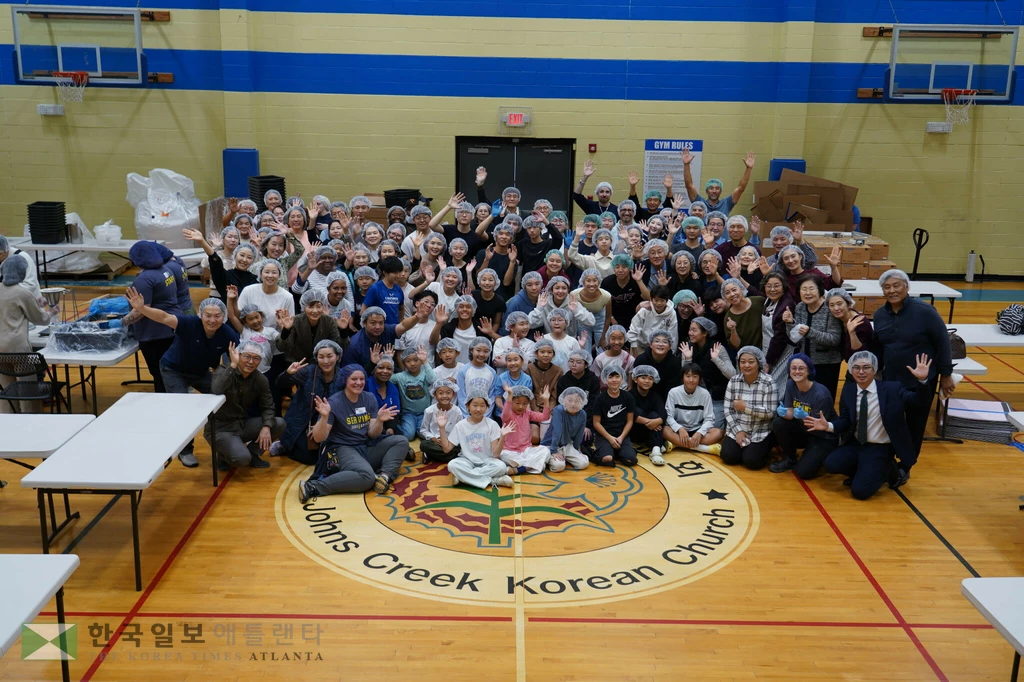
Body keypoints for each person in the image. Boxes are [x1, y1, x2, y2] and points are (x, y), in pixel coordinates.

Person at [125, 291, 239, 467]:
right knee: (183, 407)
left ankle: (224, 447)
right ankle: (185, 451)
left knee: (224, 399)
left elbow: (234, 358)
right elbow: (163, 317)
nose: (212, 320)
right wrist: (141, 308)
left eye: (217, 316)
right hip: (173, 369)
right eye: (208, 315)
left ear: (223, 317)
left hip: (200, 372)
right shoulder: (188, 323)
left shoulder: (228, 334)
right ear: (200, 315)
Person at [806, 351, 933, 499]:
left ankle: (888, 469)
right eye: (856, 367)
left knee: (860, 492)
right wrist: (828, 425)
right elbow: (846, 420)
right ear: (850, 370)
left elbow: (919, 403)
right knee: (831, 464)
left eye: (866, 367)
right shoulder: (848, 390)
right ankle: (864, 471)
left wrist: (922, 381)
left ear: (874, 370)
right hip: (856, 444)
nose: (861, 372)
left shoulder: (893, 389)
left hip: (880, 447)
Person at [871, 270, 954, 459]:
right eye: (887, 287)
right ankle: (889, 459)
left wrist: (946, 375)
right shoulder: (879, 315)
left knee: (916, 425)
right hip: (891, 380)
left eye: (896, 285)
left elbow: (943, 342)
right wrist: (876, 371)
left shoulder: (925, 311)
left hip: (921, 381)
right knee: (892, 421)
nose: (892, 290)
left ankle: (907, 463)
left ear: (906, 287)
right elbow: (878, 346)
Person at [298, 364, 407, 502]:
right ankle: (313, 487)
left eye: (362, 379)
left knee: (401, 441)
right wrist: (324, 417)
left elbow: (373, 434)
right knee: (367, 477)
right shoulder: (334, 402)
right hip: (342, 448)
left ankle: (384, 477)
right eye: (354, 379)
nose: (359, 383)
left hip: (364, 445)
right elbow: (320, 438)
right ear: (345, 380)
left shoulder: (369, 398)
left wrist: (379, 420)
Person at [207, 341, 286, 471]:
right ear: (238, 355)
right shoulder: (224, 369)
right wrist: (232, 365)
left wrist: (266, 427)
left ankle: (253, 453)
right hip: (220, 428)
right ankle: (222, 455)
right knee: (242, 459)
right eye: (247, 356)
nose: (251, 362)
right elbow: (216, 389)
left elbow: (268, 406)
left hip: (242, 424)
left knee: (279, 423)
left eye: (256, 358)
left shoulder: (260, 379)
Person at [125, 241, 185, 394]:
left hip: (155, 334)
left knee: (160, 375)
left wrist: (121, 323)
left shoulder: (144, 279)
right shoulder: (166, 270)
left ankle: (165, 409)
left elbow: (140, 311)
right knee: (172, 373)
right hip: (172, 326)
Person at [272, 339, 345, 464]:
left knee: (328, 455)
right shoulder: (308, 371)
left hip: (330, 422)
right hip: (303, 421)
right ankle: (285, 445)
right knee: (309, 458)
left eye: (330, 356)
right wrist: (288, 374)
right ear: (316, 358)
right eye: (321, 357)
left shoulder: (344, 375)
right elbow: (280, 384)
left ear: (337, 357)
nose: (326, 361)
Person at [438, 379, 517, 489]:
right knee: (452, 465)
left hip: (487, 461)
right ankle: (493, 480)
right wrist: (441, 428)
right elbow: (446, 449)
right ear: (468, 407)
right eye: (475, 405)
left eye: (482, 406)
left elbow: (495, 454)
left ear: (487, 407)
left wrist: (502, 437)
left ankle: (464, 477)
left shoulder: (492, 424)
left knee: (501, 466)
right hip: (466, 461)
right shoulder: (460, 426)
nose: (478, 409)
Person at [769, 354, 838, 477]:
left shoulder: (821, 394)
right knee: (778, 423)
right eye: (793, 368)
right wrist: (783, 412)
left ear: (809, 371)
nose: (796, 371)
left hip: (823, 435)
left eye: (801, 368)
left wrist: (804, 416)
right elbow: (790, 414)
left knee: (803, 472)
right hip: (805, 430)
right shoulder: (791, 384)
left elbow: (818, 426)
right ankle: (790, 458)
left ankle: (823, 454)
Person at [0, 257, 51, 412]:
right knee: (27, 390)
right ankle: (30, 419)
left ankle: (7, 422)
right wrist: (50, 312)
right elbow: (40, 319)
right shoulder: (22, 292)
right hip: (18, 349)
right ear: (21, 273)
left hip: (0, 350)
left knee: (7, 391)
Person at [784, 273, 843, 400]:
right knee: (804, 401)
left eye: (811, 289)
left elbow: (834, 339)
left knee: (823, 400)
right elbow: (795, 337)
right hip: (804, 364)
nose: (807, 293)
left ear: (820, 290)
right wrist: (790, 323)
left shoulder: (829, 308)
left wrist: (810, 332)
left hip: (826, 364)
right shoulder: (800, 307)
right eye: (803, 289)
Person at [721, 346, 778, 470]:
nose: (746, 365)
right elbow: (728, 410)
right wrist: (738, 431)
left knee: (752, 462)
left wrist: (746, 407)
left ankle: (767, 446)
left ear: (759, 363)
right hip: (739, 427)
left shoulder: (769, 382)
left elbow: (770, 413)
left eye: (751, 362)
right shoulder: (733, 381)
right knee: (728, 457)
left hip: (760, 430)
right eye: (743, 362)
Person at [679, 318, 734, 428]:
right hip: (696, 396)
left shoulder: (718, 348)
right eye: (690, 330)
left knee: (713, 428)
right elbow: (684, 376)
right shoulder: (688, 347)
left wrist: (716, 359)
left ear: (704, 333)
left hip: (717, 397)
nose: (690, 333)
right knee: (689, 425)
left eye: (694, 330)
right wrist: (688, 358)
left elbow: (732, 374)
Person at [664, 362, 723, 455]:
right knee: (665, 430)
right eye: (688, 376)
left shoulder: (705, 394)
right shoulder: (673, 392)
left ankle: (678, 444)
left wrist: (700, 433)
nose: (691, 380)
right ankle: (702, 448)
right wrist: (680, 429)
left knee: (718, 433)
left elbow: (709, 419)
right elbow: (669, 417)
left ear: (699, 379)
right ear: (682, 378)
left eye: (695, 376)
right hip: (679, 431)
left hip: (697, 430)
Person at [277, 288, 343, 365]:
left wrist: (343, 331)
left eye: (318, 306)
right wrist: (286, 330)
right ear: (304, 307)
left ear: (323, 307)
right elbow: (282, 347)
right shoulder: (295, 321)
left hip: (322, 364)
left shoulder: (329, 321)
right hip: (297, 364)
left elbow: (338, 347)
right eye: (311, 307)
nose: (315, 311)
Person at [680, 150, 755, 216]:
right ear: (707, 191)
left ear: (720, 191)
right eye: (711, 188)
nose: (714, 191)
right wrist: (686, 165)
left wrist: (748, 169)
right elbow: (689, 186)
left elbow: (740, 189)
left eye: (717, 188)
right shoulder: (700, 202)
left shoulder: (726, 203)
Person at [499, 385, 553, 474]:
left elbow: (545, 417)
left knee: (545, 451)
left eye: (524, 404)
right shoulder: (507, 416)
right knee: (503, 455)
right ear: (511, 402)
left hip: (526, 450)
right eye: (517, 403)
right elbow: (505, 412)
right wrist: (510, 396)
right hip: (510, 451)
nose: (521, 406)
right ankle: (532, 466)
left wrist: (546, 400)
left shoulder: (528, 413)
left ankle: (519, 469)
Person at [592, 366, 637, 467]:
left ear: (622, 378)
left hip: (622, 435)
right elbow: (596, 423)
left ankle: (619, 451)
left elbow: (630, 421)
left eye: (617, 377)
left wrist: (621, 438)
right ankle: (597, 453)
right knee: (607, 460)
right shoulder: (600, 398)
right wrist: (610, 438)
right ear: (605, 379)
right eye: (610, 377)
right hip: (604, 435)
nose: (614, 380)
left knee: (631, 460)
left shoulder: (628, 397)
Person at [758, 272, 796, 390]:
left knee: (775, 386)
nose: (772, 289)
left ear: (784, 287)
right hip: (768, 348)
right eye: (769, 286)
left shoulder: (786, 305)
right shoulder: (768, 300)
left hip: (781, 350)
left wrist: (769, 362)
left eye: (776, 286)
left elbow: (780, 337)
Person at [539, 386, 591, 472]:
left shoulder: (583, 414)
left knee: (583, 463)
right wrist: (554, 450)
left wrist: (576, 448)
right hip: (551, 445)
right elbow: (557, 431)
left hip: (567, 445)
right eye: (570, 400)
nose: (573, 404)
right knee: (559, 467)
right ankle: (550, 457)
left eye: (577, 401)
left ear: (582, 402)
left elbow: (579, 433)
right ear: (563, 400)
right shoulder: (558, 410)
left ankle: (564, 457)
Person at [392, 346, 436, 441]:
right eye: (408, 361)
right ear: (403, 363)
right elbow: (385, 377)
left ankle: (415, 428)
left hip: (424, 412)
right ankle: (399, 425)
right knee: (408, 436)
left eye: (416, 360)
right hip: (408, 413)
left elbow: (433, 380)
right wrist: (388, 359)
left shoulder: (425, 374)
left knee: (425, 434)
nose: (412, 364)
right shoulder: (400, 377)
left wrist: (425, 362)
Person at [628, 365, 667, 465]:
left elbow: (663, 413)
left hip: (650, 432)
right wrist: (650, 422)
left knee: (655, 415)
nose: (647, 381)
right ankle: (657, 444)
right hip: (634, 432)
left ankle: (656, 451)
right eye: (643, 377)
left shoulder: (655, 396)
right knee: (639, 412)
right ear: (635, 379)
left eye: (650, 378)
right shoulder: (629, 395)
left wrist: (657, 421)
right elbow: (630, 414)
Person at [419, 378, 464, 463]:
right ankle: (449, 456)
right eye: (440, 393)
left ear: (453, 394)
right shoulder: (429, 411)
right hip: (435, 442)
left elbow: (460, 430)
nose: (444, 396)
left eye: (448, 393)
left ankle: (431, 455)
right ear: (434, 395)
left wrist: (449, 441)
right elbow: (424, 430)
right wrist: (434, 438)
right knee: (424, 444)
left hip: (451, 442)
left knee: (461, 446)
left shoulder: (457, 411)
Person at [602, 254, 649, 333]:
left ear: (630, 268)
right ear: (613, 268)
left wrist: (639, 281)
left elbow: (648, 299)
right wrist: (612, 319)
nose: (620, 270)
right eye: (617, 267)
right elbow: (603, 305)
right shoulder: (607, 282)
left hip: (634, 318)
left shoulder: (635, 280)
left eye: (624, 267)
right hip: (613, 317)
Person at [826, 288, 874, 362]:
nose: (836, 308)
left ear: (848, 304)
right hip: (851, 364)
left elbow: (860, 353)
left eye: (839, 304)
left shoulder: (860, 322)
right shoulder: (838, 320)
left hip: (864, 364)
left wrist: (852, 333)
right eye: (832, 305)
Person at [777, 244, 843, 298]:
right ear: (783, 262)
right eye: (786, 258)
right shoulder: (783, 279)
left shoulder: (813, 273)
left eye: (793, 256)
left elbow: (834, 284)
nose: (791, 260)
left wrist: (834, 267)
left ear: (800, 256)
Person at [628, 285, 678, 355]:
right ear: (651, 299)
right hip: (641, 345)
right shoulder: (645, 310)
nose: (659, 303)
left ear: (667, 300)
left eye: (662, 300)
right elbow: (633, 330)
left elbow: (672, 335)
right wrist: (634, 352)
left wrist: (672, 353)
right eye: (656, 300)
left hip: (660, 347)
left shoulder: (672, 313)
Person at [455, 337, 498, 418]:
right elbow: (461, 396)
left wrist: (485, 416)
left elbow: (492, 397)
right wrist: (467, 416)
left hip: (485, 417)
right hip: (466, 416)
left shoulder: (492, 372)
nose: (481, 354)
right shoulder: (463, 371)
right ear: (471, 350)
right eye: (478, 350)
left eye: (486, 351)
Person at [722, 279, 764, 350]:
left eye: (734, 290)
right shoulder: (728, 318)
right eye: (727, 293)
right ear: (724, 297)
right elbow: (736, 345)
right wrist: (733, 330)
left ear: (742, 289)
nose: (732, 294)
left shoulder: (759, 301)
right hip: (750, 355)